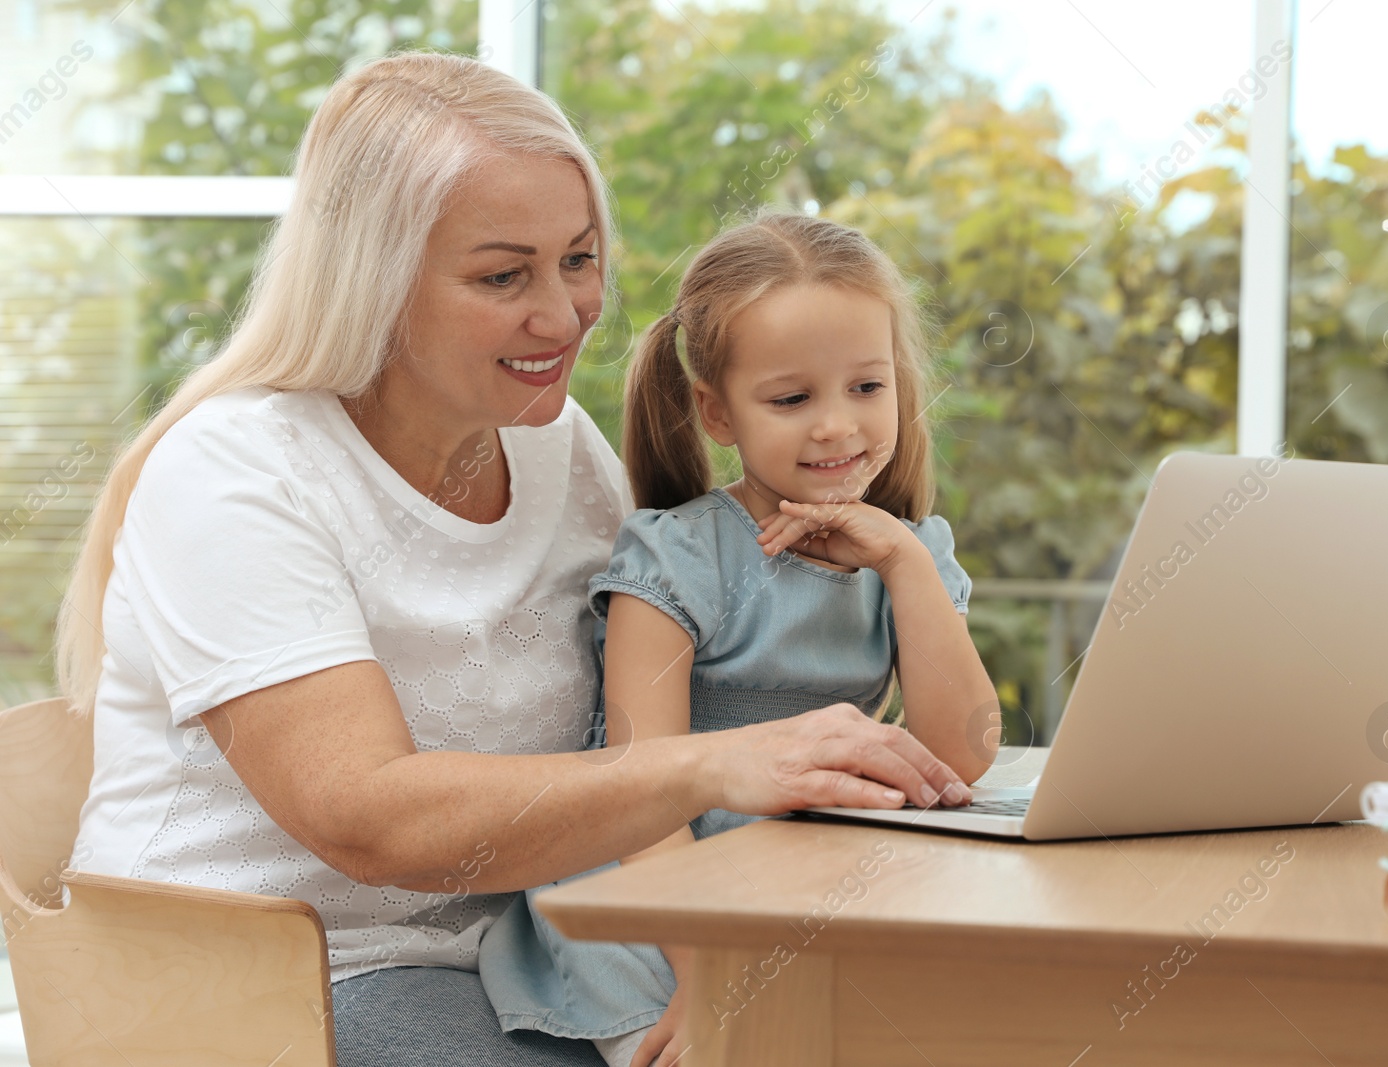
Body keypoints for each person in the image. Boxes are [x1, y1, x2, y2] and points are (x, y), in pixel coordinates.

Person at [60, 53, 974, 1067]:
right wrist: (714, 765)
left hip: (519, 951)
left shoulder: (554, 443)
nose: (564, 313)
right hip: (272, 978)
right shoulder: (236, 471)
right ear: (376, 277)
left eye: (578, 260)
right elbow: (363, 815)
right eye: (504, 275)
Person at [477, 213, 1000, 1067]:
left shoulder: (909, 552)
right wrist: (707, 971)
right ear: (718, 413)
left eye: (867, 387)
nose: (837, 426)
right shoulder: (677, 556)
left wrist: (905, 562)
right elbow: (638, 792)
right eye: (793, 399)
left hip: (808, 880)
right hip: (660, 897)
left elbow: (962, 753)